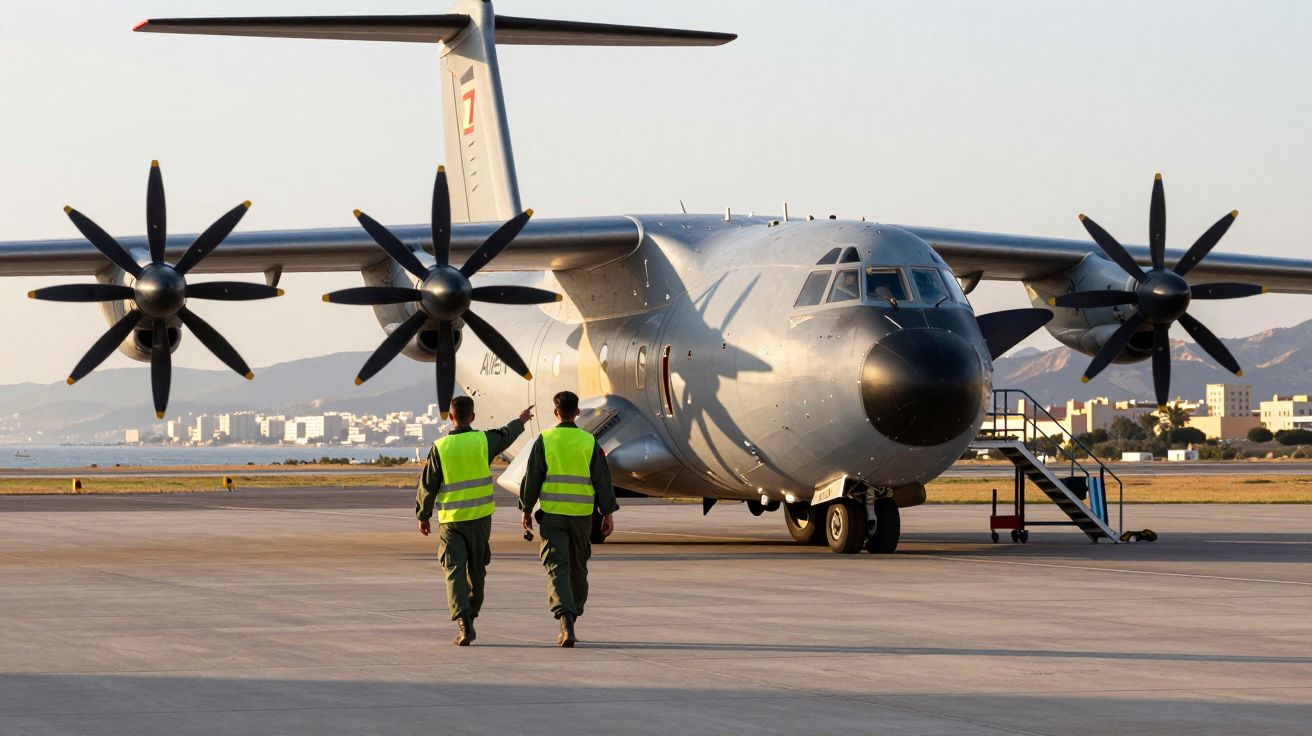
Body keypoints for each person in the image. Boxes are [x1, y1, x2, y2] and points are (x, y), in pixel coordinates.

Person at [417, 396, 533, 646]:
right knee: (477, 570)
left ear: (450, 417)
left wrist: (423, 515)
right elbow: (506, 434)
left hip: (452, 521)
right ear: (472, 416)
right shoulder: (483, 440)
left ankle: (463, 620)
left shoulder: (440, 447)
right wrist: (521, 420)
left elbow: (428, 485)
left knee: (454, 569)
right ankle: (471, 612)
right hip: (480, 519)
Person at [520, 390, 619, 647]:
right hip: (582, 517)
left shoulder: (545, 441)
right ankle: (572, 612)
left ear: (555, 413)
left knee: (557, 567)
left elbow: (532, 479)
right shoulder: (589, 442)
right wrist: (607, 513)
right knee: (578, 567)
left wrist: (526, 509)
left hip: (553, 516)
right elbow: (602, 480)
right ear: (577, 412)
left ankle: (565, 619)